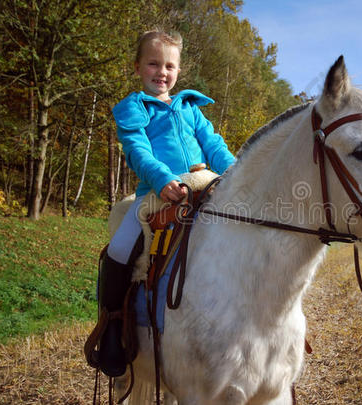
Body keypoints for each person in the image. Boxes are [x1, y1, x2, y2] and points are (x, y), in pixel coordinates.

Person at [97, 29, 235, 377]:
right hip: (158, 191)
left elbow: (214, 145)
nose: (162, 72)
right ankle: (113, 329)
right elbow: (137, 150)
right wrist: (162, 179)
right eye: (153, 64)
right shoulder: (133, 109)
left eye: (169, 66)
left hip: (205, 184)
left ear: (178, 71)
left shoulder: (190, 107)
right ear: (138, 67)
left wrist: (236, 172)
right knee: (118, 249)